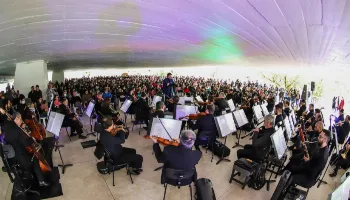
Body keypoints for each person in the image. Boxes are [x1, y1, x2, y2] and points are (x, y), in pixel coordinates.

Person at [0, 109, 49, 187]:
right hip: (20, 159)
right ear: (16, 119)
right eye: (20, 119)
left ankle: (30, 175)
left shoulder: (7, 127)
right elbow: (26, 143)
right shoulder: (17, 131)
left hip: (11, 158)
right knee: (35, 160)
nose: (22, 121)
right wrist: (32, 139)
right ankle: (41, 181)